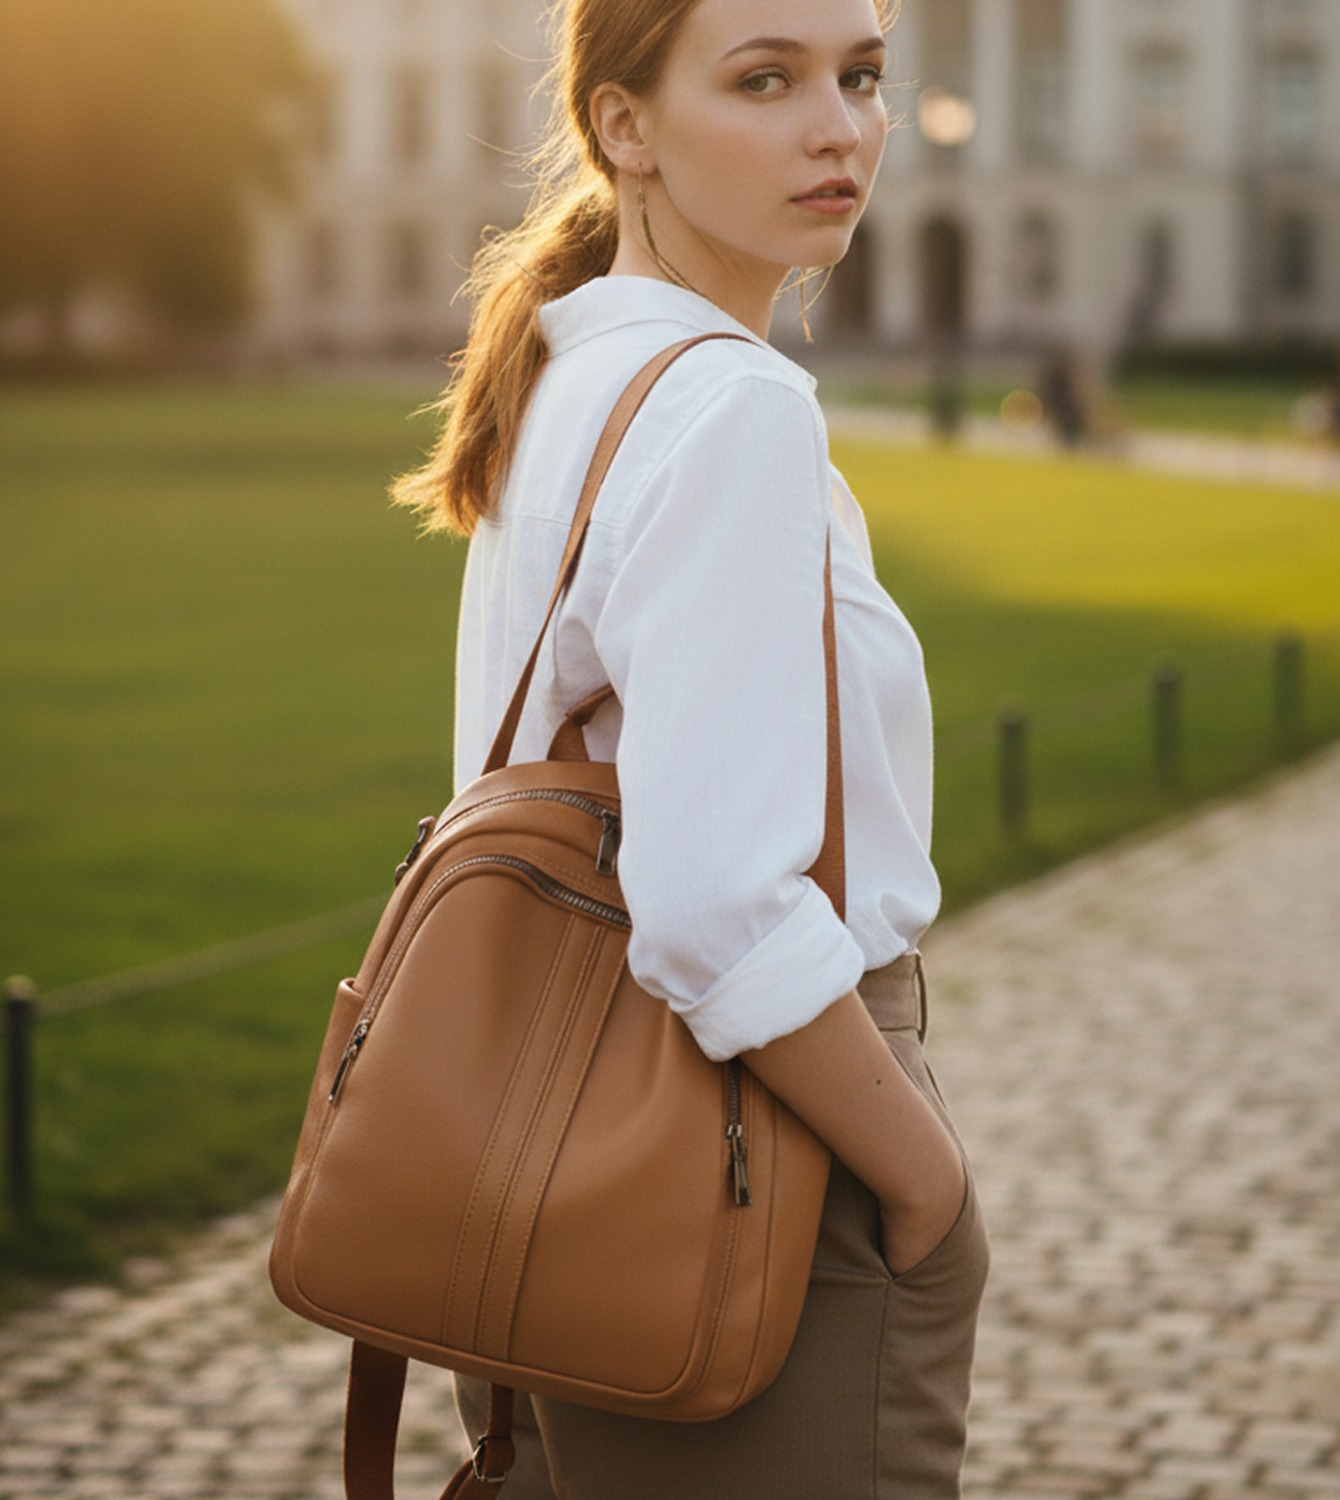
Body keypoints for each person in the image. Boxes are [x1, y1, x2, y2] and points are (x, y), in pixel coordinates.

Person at [390, 1, 988, 1495]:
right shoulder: (726, 406)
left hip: (544, 1134)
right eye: (765, 80)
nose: (839, 125)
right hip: (749, 1149)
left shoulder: (571, 377)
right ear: (624, 126)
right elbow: (716, 904)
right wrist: (921, 1185)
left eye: (860, 78)